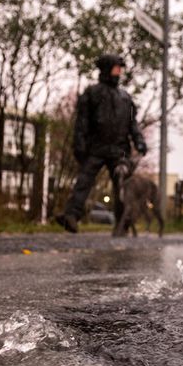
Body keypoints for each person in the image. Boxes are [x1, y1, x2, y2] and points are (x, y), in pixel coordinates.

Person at [56, 54, 147, 234]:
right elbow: (81, 122)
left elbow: (132, 124)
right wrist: (79, 144)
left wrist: (139, 141)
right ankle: (71, 216)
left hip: (120, 150)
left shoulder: (125, 98)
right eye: (116, 67)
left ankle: (122, 225)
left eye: (120, 68)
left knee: (122, 187)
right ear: (106, 69)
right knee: (84, 181)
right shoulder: (92, 93)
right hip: (95, 147)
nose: (119, 71)